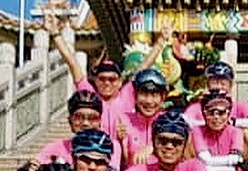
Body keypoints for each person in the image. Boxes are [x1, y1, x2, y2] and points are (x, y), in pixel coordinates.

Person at [45, 13, 173, 141]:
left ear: (120, 81)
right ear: (95, 80)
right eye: (102, 79)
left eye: (112, 79)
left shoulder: (126, 95)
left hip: (123, 151)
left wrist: (161, 40)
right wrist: (55, 34)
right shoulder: (92, 97)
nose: (107, 83)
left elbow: (144, 66)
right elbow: (72, 64)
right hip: (97, 151)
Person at [6, 90, 122, 171]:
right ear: (69, 120)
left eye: (92, 118)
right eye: (79, 117)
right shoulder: (54, 147)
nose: (85, 123)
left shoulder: (111, 146)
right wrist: (28, 170)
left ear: (100, 121)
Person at [117, 68, 169, 167]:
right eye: (144, 94)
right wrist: (119, 141)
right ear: (135, 96)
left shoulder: (170, 121)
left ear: (162, 98)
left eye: (154, 95)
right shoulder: (124, 120)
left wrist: (154, 148)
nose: (149, 101)